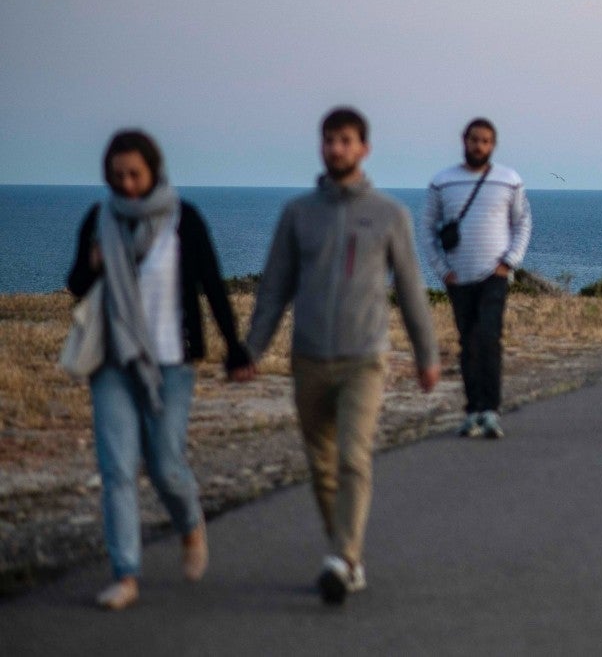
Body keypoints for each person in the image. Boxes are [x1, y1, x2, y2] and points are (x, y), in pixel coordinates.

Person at [241, 107, 441, 605]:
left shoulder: (390, 214)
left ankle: (342, 558)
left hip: (364, 359)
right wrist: (253, 349)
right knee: (322, 466)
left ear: (364, 148)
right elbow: (274, 288)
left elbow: (412, 290)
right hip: (308, 358)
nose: (336, 148)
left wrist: (426, 354)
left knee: (354, 457)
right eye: (329, 140)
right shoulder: (297, 213)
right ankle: (345, 555)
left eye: (346, 140)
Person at [66, 130, 252, 610]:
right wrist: (94, 262)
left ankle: (190, 525)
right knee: (117, 470)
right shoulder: (98, 219)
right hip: (112, 361)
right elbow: (75, 283)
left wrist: (235, 348)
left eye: (135, 174)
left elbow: (212, 284)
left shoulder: (182, 219)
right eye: (117, 175)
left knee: (166, 465)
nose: (126, 184)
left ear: (153, 171)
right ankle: (125, 574)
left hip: (171, 362)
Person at [424, 117, 532, 440]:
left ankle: (490, 411)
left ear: (493, 145)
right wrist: (443, 271)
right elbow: (427, 228)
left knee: (488, 338)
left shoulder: (509, 180)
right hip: (459, 279)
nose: (479, 146)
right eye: (474, 140)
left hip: (494, 276)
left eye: (485, 141)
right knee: (467, 343)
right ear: (464, 141)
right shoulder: (442, 182)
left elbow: (523, 223)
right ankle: (472, 411)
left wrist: (509, 263)